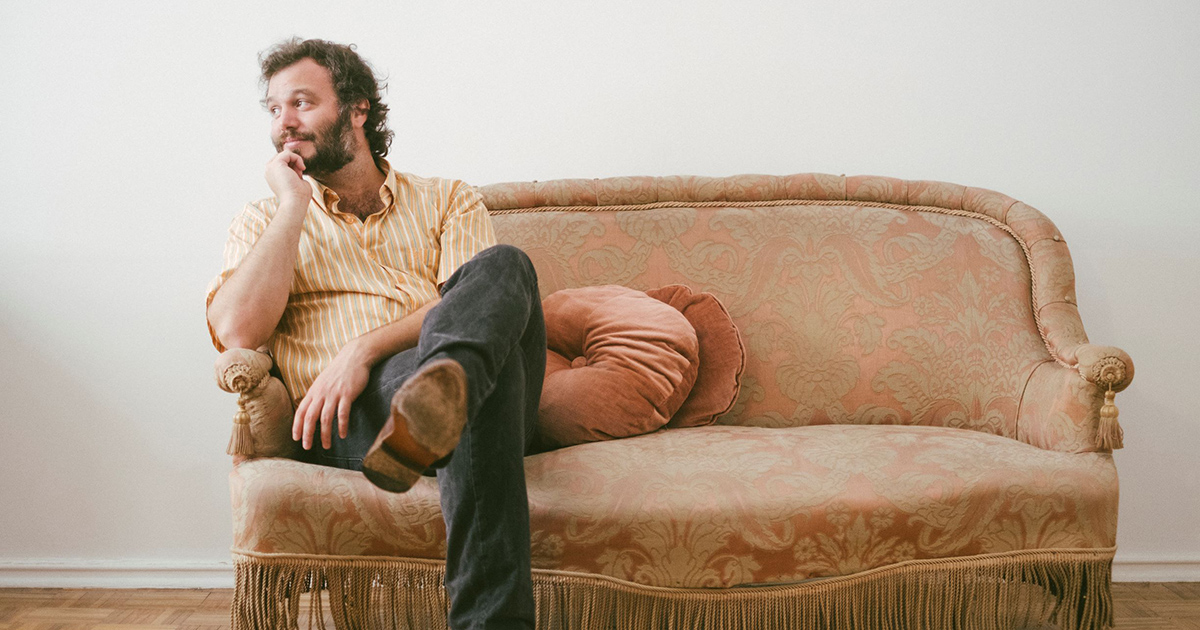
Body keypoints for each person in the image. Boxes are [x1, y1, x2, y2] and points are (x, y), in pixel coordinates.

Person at [205, 38, 543, 630]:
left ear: (357, 109)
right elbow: (236, 330)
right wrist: (292, 207)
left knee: (505, 266)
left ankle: (441, 400)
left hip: (430, 373)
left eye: (301, 103)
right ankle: (447, 401)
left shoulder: (447, 199)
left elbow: (469, 305)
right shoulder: (264, 220)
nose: (283, 123)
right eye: (274, 109)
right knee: (488, 380)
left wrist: (362, 349)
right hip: (355, 417)